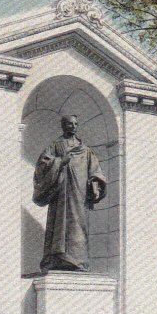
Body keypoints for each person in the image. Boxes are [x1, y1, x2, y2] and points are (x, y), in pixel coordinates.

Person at [33, 114, 106, 273]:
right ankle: (57, 259)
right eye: (69, 124)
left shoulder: (85, 150)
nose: (72, 126)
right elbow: (42, 165)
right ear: (63, 125)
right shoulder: (55, 146)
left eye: (75, 124)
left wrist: (95, 183)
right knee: (59, 225)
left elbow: (95, 170)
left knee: (79, 225)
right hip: (61, 194)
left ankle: (78, 261)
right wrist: (59, 162)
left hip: (79, 196)